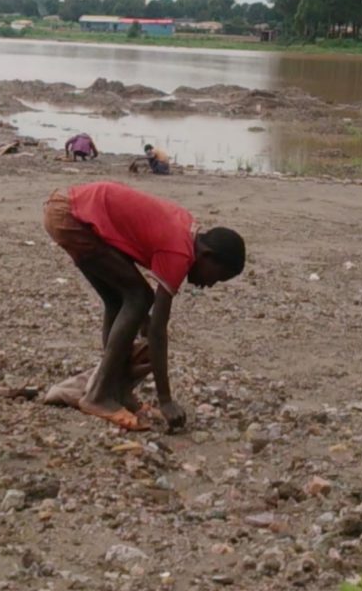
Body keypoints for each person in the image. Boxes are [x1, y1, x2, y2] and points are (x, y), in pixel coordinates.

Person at [42, 182, 245, 431]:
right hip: (74, 217)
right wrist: (166, 400)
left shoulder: (186, 230)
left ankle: (114, 389)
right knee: (139, 297)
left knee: (120, 299)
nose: (210, 284)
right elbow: (159, 331)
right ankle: (99, 395)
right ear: (207, 256)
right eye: (217, 276)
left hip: (68, 210)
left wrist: (140, 323)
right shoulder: (179, 253)